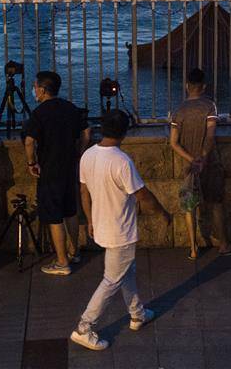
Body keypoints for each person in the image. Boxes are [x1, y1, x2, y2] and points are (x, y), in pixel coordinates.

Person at [71, 110, 171, 351]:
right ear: (125, 132)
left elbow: (84, 192)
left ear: (102, 128)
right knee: (112, 280)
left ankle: (137, 314)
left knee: (127, 270)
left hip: (101, 225)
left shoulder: (87, 155)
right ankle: (84, 327)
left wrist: (90, 220)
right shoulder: (121, 161)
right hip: (120, 230)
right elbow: (142, 194)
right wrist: (163, 213)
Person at [24, 70, 90, 276]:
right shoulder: (69, 108)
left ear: (42, 90)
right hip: (69, 168)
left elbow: (29, 141)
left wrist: (31, 162)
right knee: (70, 211)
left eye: (35, 87)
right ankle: (74, 251)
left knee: (54, 216)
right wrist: (79, 152)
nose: (34, 90)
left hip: (49, 170)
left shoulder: (39, 113)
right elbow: (86, 132)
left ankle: (62, 262)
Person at [169, 68, 231, 260]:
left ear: (187, 86)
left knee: (190, 206)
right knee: (215, 203)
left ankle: (193, 248)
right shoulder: (209, 106)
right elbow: (210, 136)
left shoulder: (178, 111)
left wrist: (192, 160)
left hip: (189, 167)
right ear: (204, 86)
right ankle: (224, 244)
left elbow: (174, 143)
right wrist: (203, 158)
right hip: (209, 164)